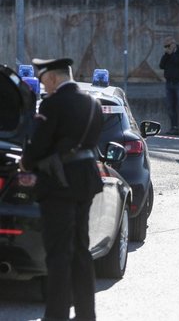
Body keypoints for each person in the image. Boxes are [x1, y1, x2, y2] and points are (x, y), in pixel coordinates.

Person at [20, 58, 104, 321]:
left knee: (58, 253)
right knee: (81, 250)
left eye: (44, 80)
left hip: (58, 183)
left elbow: (38, 146)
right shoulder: (93, 103)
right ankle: (86, 315)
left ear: (54, 78)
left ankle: (55, 316)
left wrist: (26, 162)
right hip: (86, 180)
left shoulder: (53, 103)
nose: (44, 85)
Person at [159, 36, 179, 136]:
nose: (167, 47)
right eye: (165, 46)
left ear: (174, 44)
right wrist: (167, 55)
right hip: (169, 83)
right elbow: (161, 65)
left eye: (169, 45)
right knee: (170, 106)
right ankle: (174, 127)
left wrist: (172, 53)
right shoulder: (167, 55)